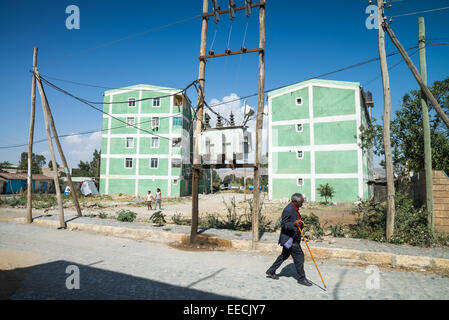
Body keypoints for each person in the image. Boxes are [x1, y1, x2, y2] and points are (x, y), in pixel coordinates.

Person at [266, 193, 313, 287]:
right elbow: (284, 224)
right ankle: (301, 278)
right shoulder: (288, 209)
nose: (302, 204)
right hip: (290, 239)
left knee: (284, 255)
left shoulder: (295, 208)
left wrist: (300, 224)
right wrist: (294, 224)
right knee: (299, 257)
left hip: (292, 238)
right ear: (295, 201)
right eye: (301, 202)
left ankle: (271, 271)